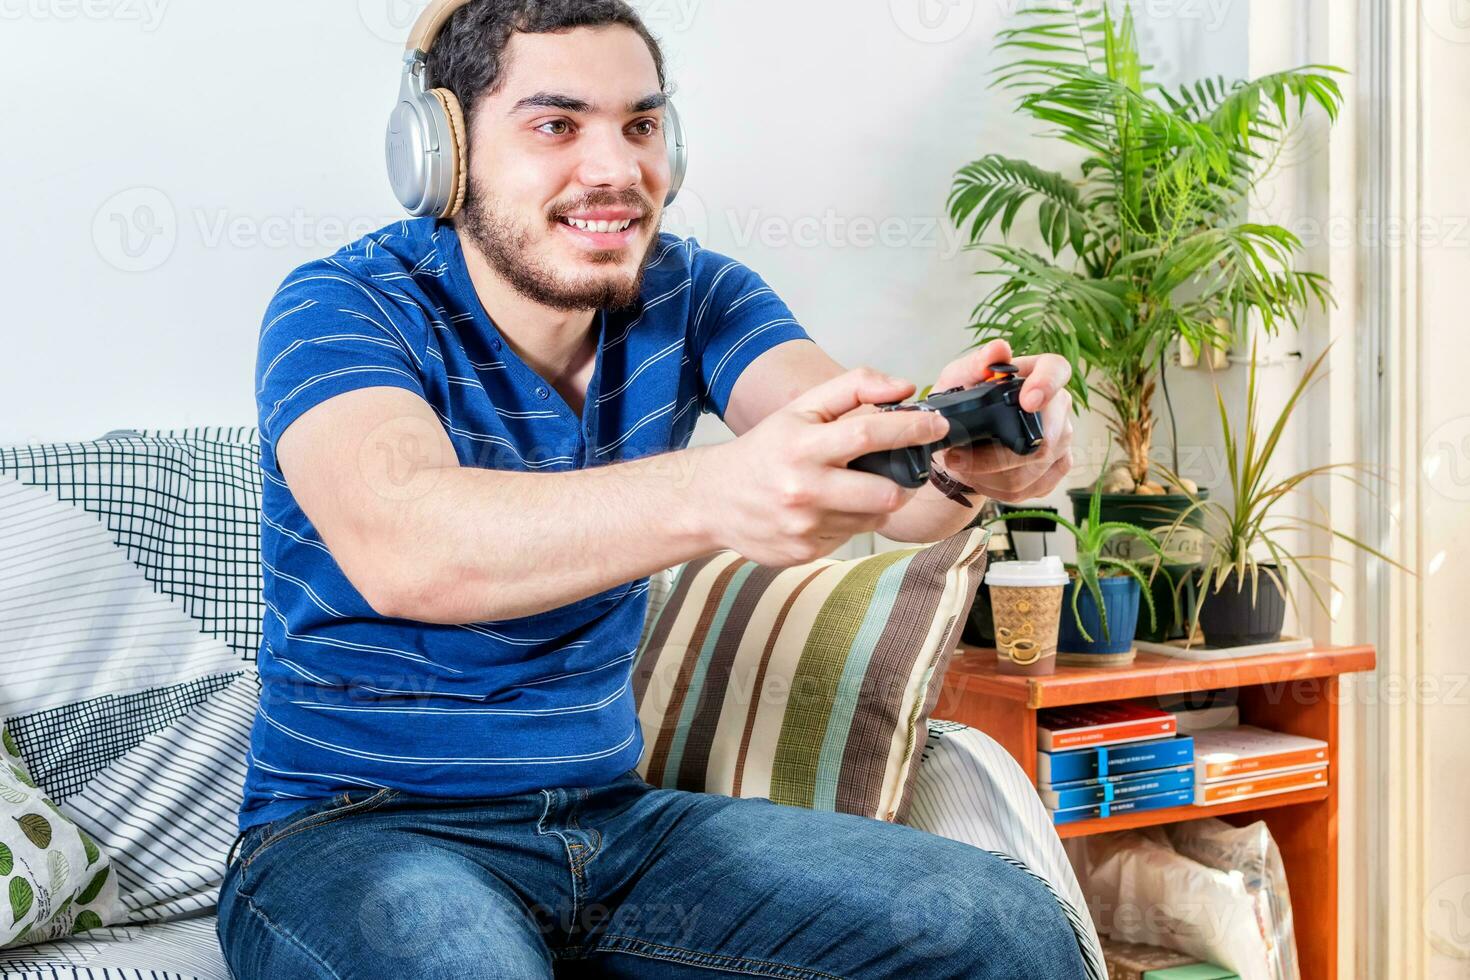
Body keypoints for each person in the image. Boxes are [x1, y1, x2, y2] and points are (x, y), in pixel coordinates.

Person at [216, 1, 1085, 976]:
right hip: (353, 833)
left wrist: (954, 459)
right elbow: (410, 549)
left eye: (639, 124)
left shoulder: (699, 293)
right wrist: (714, 490)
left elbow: (861, 475)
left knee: (1005, 924)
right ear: (442, 153)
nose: (617, 169)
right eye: (556, 124)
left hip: (611, 825)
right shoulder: (342, 305)